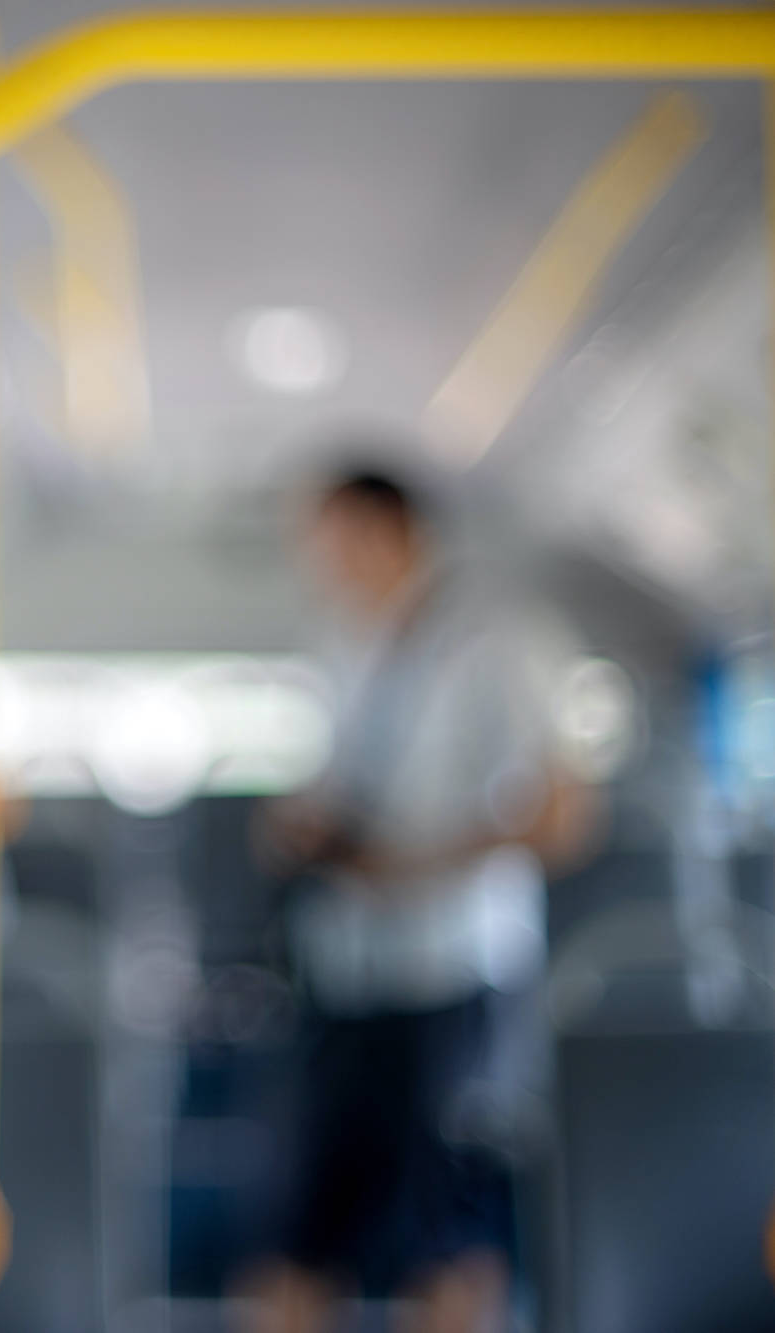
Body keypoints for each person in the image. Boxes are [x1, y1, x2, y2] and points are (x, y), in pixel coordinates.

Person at [245, 465, 598, 1333]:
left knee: (445, 1236)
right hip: (344, 970)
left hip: (454, 975)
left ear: (394, 532)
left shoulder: (498, 638)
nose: (324, 565)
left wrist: (417, 864)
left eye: (336, 543)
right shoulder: (341, 642)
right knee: (301, 1232)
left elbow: (564, 815)